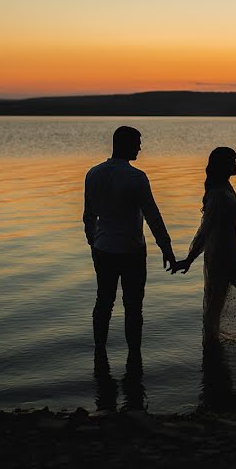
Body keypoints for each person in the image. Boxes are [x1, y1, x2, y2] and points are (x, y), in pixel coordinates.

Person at [83, 126, 176, 354]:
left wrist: (93, 241)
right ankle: (134, 354)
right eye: (137, 143)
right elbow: (153, 215)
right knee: (133, 307)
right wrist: (166, 247)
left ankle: (99, 350)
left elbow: (88, 216)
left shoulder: (93, 173)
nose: (140, 148)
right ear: (125, 145)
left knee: (103, 301)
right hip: (131, 251)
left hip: (103, 248)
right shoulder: (137, 177)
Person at [171, 147, 236, 348]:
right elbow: (205, 230)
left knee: (216, 305)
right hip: (223, 256)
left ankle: (212, 350)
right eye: (233, 160)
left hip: (228, 253)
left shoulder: (225, 186)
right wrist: (190, 259)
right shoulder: (217, 193)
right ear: (223, 164)